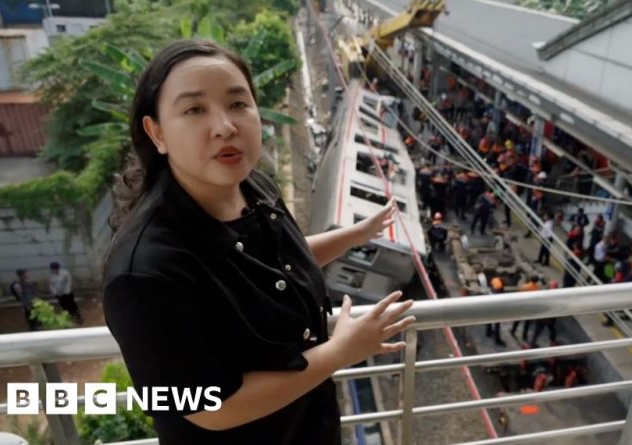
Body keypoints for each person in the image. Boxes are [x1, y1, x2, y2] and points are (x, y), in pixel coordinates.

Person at [101, 40, 415, 445]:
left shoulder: (253, 188)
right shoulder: (145, 271)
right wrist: (338, 353)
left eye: (237, 104)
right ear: (156, 132)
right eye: (195, 110)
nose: (225, 126)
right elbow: (210, 407)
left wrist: (355, 235)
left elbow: (276, 261)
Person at [509, 276, 540, 343]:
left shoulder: (525, 286)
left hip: (522, 305)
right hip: (530, 307)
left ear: (530, 279)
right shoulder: (537, 288)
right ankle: (524, 335)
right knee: (527, 323)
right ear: (536, 281)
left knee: (517, 319)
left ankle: (513, 331)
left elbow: (519, 293)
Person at [529, 280, 560, 347]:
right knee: (552, 331)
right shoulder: (554, 296)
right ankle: (552, 342)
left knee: (538, 332)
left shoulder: (544, 293)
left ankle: (532, 344)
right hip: (547, 318)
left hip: (542, 317)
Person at [484, 276, 506, 347]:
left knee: (489, 321)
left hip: (488, 307)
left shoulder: (493, 282)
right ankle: (497, 340)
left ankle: (488, 333)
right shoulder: (499, 294)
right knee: (497, 325)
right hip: (496, 310)